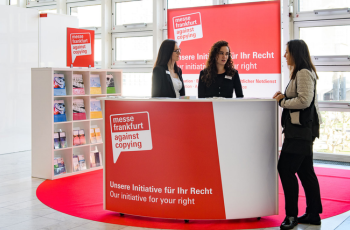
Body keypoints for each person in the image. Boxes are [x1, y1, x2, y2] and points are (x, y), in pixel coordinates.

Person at [273, 39, 323, 230]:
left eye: (286, 52)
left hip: (300, 131)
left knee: (285, 169)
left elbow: (303, 101)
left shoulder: (303, 72)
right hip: (301, 130)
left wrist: (282, 101)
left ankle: (291, 216)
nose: (284, 55)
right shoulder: (300, 72)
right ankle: (312, 213)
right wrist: (284, 97)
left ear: (295, 53)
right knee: (305, 171)